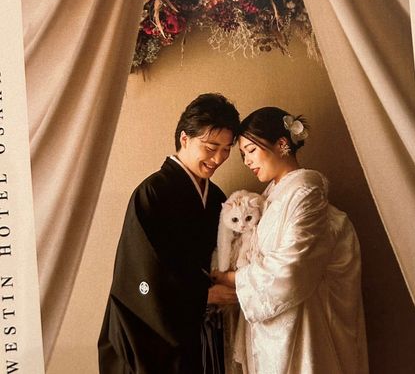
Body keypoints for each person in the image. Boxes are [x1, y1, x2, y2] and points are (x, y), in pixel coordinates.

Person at [212, 107, 369, 374]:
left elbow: (293, 268)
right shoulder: (270, 196)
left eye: (251, 150)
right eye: (243, 155)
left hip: (305, 329)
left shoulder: (306, 194)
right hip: (274, 331)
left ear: (282, 144)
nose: (247, 161)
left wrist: (232, 279)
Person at [98, 93, 239, 374]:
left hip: (198, 330)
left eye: (226, 149)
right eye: (211, 147)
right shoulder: (152, 193)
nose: (218, 158)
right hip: (145, 331)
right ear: (185, 138)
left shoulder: (216, 198)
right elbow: (141, 274)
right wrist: (202, 296)